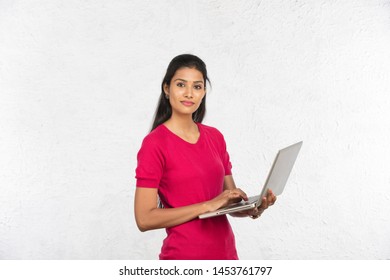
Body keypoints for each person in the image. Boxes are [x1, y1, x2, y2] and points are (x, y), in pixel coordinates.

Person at [134, 54, 276, 260]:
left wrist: (253, 208)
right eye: (181, 84)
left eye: (197, 86)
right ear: (166, 89)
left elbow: (228, 201)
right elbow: (144, 218)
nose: (189, 93)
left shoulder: (215, 137)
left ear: (204, 92)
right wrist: (207, 205)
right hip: (184, 258)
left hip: (226, 255)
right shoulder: (155, 144)